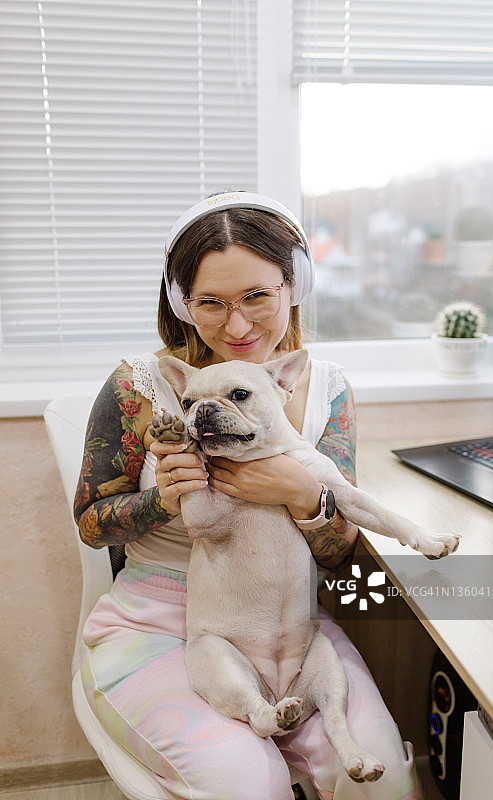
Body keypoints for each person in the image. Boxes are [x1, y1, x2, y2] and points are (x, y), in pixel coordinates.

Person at [74, 192, 423, 800]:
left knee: (382, 777)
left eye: (257, 296)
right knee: (246, 780)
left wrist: (301, 495)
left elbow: (339, 555)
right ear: (182, 301)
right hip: (156, 622)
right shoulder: (140, 384)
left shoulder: (326, 387)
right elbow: (90, 523)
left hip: (287, 625)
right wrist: (166, 500)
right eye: (211, 303)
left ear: (295, 285)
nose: (237, 327)